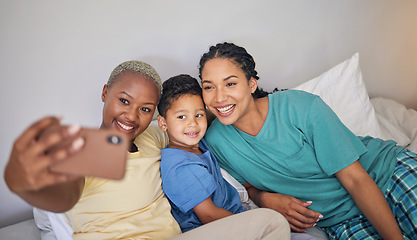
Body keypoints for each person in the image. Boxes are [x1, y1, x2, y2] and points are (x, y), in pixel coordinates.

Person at [4, 60, 290, 240]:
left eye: (145, 109)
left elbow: (193, 118)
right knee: (271, 223)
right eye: (124, 101)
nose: (131, 116)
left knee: (270, 224)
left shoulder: (154, 137)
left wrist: (257, 103)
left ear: (156, 116)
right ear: (105, 93)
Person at [198, 42, 417, 239]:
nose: (219, 98)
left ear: (251, 85)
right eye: (209, 87)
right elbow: (247, 186)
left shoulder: (302, 107)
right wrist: (265, 198)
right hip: (339, 220)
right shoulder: (215, 141)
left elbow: (355, 180)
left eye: (230, 84)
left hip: (385, 177)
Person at [157, 74, 247, 232]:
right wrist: (251, 223)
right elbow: (209, 215)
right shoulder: (181, 166)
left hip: (231, 219)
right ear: (163, 123)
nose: (192, 123)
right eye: (181, 117)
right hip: (212, 229)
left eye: (199, 115)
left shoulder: (196, 145)